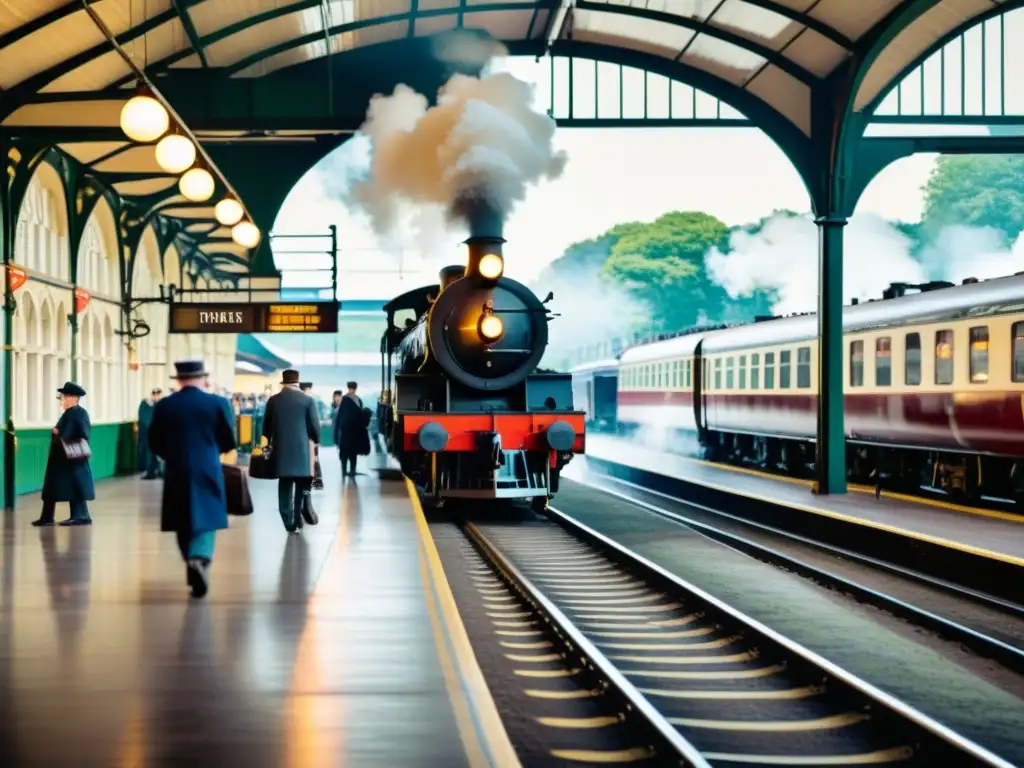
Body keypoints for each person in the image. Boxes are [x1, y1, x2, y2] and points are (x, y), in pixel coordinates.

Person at [148, 359, 237, 598]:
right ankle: (199, 559)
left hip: (176, 467)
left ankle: (190, 560)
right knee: (207, 517)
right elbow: (229, 440)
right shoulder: (217, 403)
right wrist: (210, 451)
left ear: (178, 380)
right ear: (202, 378)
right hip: (208, 467)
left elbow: (153, 440)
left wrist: (171, 455)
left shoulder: (165, 405)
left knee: (181, 517)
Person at [262, 369, 321, 533]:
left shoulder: (273, 401)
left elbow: (266, 428)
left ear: (283, 382)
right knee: (302, 485)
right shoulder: (308, 400)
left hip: (281, 450)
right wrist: (316, 441)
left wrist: (266, 445)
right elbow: (315, 428)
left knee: (285, 483)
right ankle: (297, 520)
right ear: (297, 382)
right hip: (302, 450)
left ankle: (289, 523)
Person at [32, 382, 95, 527]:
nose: (62, 400)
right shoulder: (68, 413)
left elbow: (84, 434)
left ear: (74, 398)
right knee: (52, 487)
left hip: (72, 459)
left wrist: (62, 434)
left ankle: (80, 516)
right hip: (61, 458)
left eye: (65, 397)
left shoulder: (80, 413)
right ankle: (47, 517)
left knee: (75, 487)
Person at [333, 381, 370, 477]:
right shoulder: (358, 400)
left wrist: (337, 433)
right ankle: (352, 471)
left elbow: (339, 417)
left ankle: (344, 471)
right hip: (355, 432)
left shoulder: (343, 400)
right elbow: (361, 417)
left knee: (344, 453)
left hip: (345, 432)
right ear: (355, 388)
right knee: (353, 453)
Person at [299, 381, 324, 492]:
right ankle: (307, 496)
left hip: (297, 438)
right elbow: (314, 423)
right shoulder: (309, 401)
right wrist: (317, 439)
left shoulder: (296, 401)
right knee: (310, 467)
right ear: (307, 389)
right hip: (309, 439)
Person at [138, 388, 163, 479]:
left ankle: (158, 470)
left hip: (157, 433)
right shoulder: (145, 405)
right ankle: (151, 471)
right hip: (149, 433)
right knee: (149, 452)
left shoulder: (158, 405)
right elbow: (145, 420)